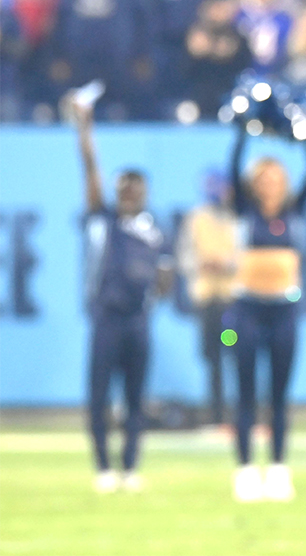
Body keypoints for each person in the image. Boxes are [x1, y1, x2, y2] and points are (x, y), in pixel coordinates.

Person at [74, 93, 170, 494]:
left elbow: (166, 274)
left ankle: (130, 466)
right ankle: (102, 467)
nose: (130, 194)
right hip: (107, 319)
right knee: (99, 397)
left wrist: (153, 301)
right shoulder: (104, 220)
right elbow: (90, 171)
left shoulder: (154, 228)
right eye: (124, 188)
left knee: (135, 398)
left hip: (137, 321)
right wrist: (84, 130)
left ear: (145, 191)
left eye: (136, 188)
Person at [228, 126, 306, 502]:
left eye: (277, 177)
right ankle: (247, 469)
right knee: (246, 391)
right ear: (254, 183)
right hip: (246, 309)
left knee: (279, 394)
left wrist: (300, 134)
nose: (270, 184)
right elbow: (233, 163)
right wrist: (246, 127)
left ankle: (279, 468)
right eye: (264, 178)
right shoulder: (244, 210)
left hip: (284, 310)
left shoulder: (295, 210)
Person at [176, 170, 239, 426]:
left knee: (237, 355)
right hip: (207, 301)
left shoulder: (238, 218)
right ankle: (217, 415)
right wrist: (202, 265)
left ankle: (243, 412)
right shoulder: (196, 219)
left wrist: (226, 264)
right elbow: (184, 256)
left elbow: (247, 254)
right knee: (212, 358)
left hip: (232, 300)